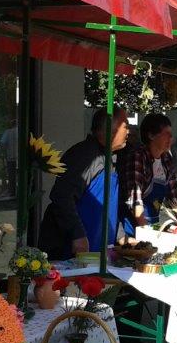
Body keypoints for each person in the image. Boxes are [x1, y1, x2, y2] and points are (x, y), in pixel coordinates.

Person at [39, 108, 132, 259]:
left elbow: (109, 206)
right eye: (125, 126)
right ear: (110, 128)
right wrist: (77, 235)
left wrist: (121, 236)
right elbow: (62, 196)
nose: (129, 131)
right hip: (71, 250)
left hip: (97, 249)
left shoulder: (109, 157)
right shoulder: (84, 155)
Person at [119, 113, 177, 226]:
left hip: (152, 223)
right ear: (151, 135)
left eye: (171, 135)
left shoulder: (166, 159)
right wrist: (145, 231)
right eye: (167, 134)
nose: (171, 139)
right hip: (131, 225)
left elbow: (174, 197)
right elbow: (134, 200)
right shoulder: (138, 157)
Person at [0, 119, 19, 193]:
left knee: (11, 175)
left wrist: (4, 151)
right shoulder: (22, 132)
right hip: (20, 158)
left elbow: (2, 143)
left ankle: (12, 191)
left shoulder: (8, 132)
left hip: (11, 157)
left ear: (11, 125)